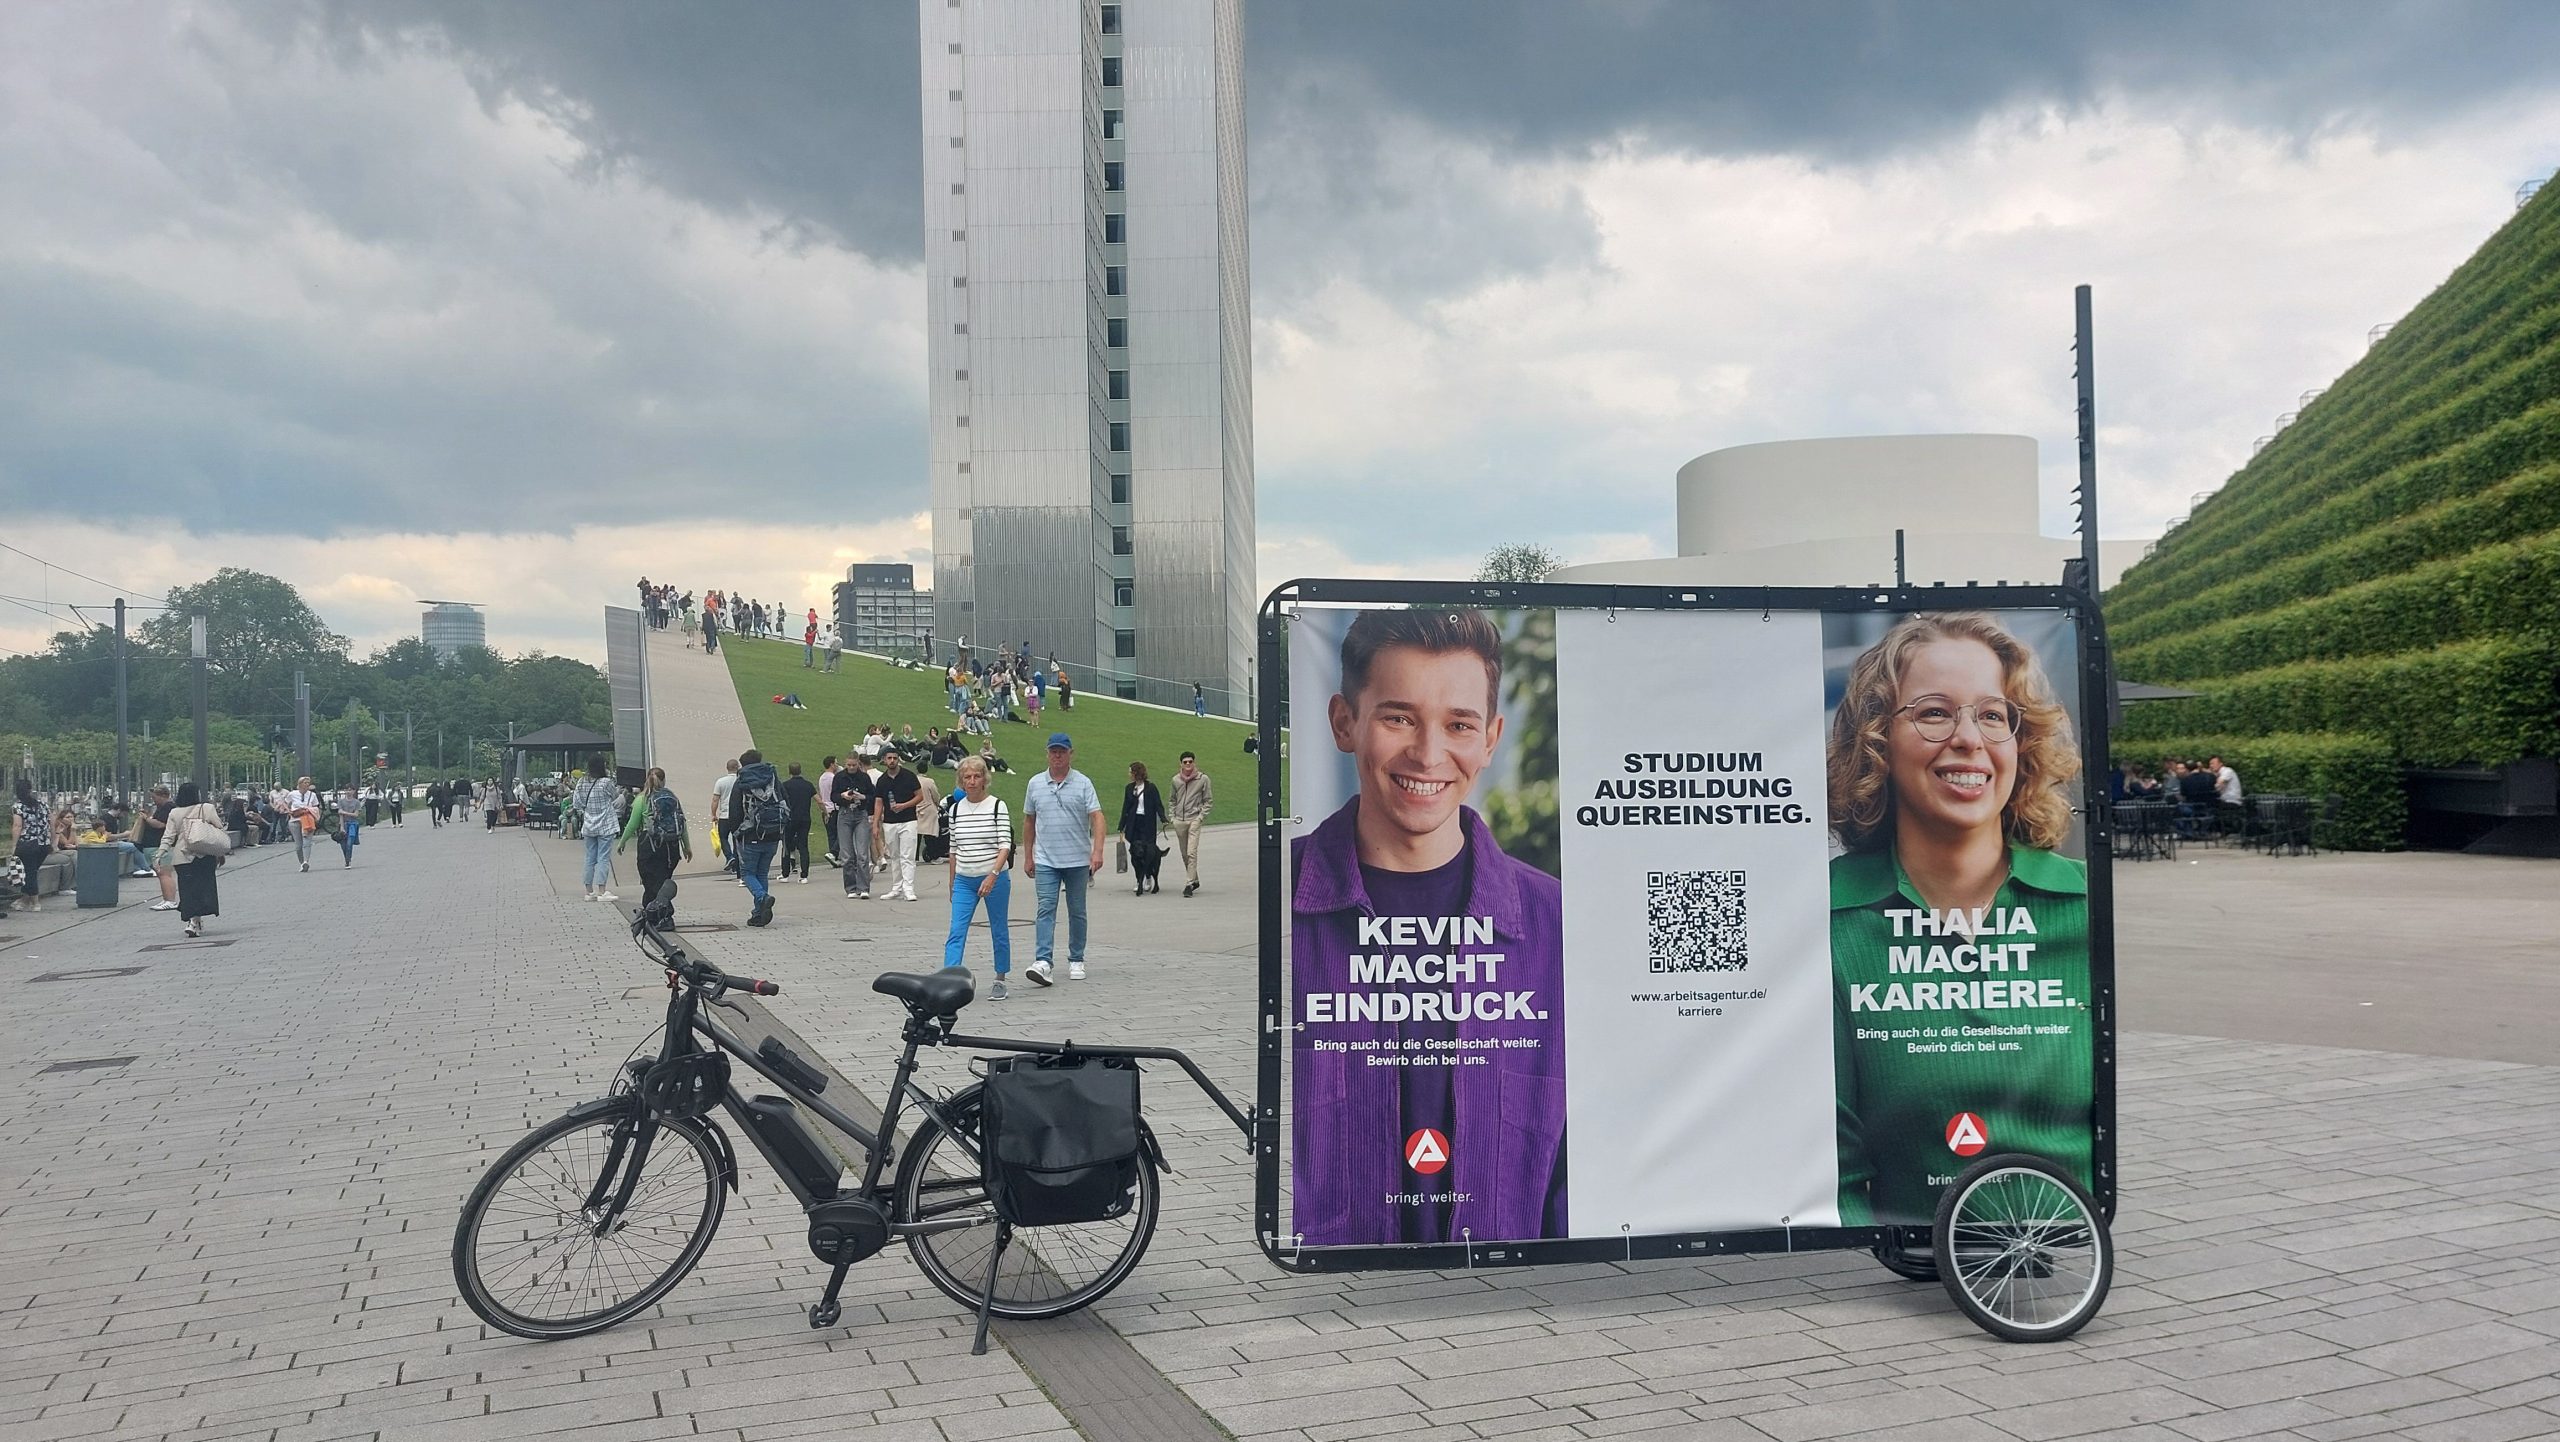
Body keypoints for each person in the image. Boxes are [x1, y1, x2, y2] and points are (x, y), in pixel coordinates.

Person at [1288, 608, 1566, 1247]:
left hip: (1503, 1312)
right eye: (1398, 717)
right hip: (1333, 1310)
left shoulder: (1555, 923)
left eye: (1459, 725)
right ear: (1343, 721)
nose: (1428, 754)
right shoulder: (1277, 904)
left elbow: (1569, 1175)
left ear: (1491, 739)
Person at [1825, 611, 2091, 1229]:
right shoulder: (1823, 920)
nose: (1969, 738)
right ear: (1875, 739)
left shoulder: (2087, 909)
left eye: (1993, 715)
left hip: (2072, 1259)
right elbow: (1829, 1160)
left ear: (2020, 744)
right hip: (1887, 1276)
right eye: (1935, 712)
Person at [1020, 733, 1105, 985]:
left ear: (1070, 753)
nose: (1057, 756)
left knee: (1077, 910)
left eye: (1062, 751)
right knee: (1046, 908)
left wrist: (1097, 851)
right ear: (1047, 753)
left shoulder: (1082, 783)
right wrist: (1028, 855)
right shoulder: (1035, 783)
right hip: (1046, 859)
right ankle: (1043, 960)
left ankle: (1076, 958)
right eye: (1053, 751)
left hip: (1077, 859)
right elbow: (1029, 820)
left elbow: (1097, 817)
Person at [618, 766, 692, 917]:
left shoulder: (642, 799)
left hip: (649, 845)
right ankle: (657, 912)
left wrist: (622, 841)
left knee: (651, 882)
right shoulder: (672, 798)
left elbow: (633, 823)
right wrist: (686, 847)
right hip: (671, 846)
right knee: (663, 880)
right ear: (664, 780)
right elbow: (682, 823)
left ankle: (659, 913)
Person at [160, 782, 226, 939]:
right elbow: (219, 827)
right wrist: (221, 851)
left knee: (188, 889)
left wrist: (161, 852)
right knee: (204, 887)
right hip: (204, 854)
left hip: (182, 856)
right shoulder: (207, 808)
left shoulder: (174, 812)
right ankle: (195, 920)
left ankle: (193, 920)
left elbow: (169, 835)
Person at [727, 749, 784, 927]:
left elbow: (735, 811)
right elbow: (784, 800)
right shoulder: (773, 779)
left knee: (748, 873)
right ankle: (758, 914)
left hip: (750, 835)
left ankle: (762, 898)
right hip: (773, 833)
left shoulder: (741, 782)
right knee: (762, 873)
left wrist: (735, 832)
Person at [872, 750, 923, 902]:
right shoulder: (882, 780)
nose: (892, 761)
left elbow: (920, 796)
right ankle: (896, 887)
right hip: (889, 821)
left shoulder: (909, 776)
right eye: (889, 758)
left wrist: (904, 806)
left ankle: (909, 888)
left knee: (907, 855)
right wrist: (875, 824)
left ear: (898, 759)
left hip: (908, 820)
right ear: (884, 760)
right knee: (894, 856)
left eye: (895, 758)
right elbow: (879, 802)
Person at [572, 756, 622, 902]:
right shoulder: (606, 782)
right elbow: (615, 796)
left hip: (588, 825)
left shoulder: (581, 782)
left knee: (589, 858)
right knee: (603, 858)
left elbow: (576, 803)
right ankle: (602, 891)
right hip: (606, 825)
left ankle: (589, 891)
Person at [1169, 750, 1212, 897]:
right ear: (1180, 764)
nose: (1188, 764)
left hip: (1194, 819)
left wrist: (1200, 817)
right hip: (1179, 820)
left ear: (1194, 763)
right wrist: (1172, 817)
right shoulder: (1175, 780)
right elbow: (1172, 800)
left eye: (1190, 762)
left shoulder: (1203, 779)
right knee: (1184, 854)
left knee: (1191, 852)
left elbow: (1208, 800)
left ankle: (1188, 883)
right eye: (1185, 762)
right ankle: (1195, 879)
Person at [1119, 761, 1164, 897]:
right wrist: (1122, 825)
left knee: (1148, 851)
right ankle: (1139, 879)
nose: (1129, 774)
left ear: (1136, 773)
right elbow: (1125, 807)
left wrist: (1163, 818)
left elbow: (1158, 804)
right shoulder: (1129, 788)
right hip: (1134, 822)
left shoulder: (1151, 788)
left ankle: (1149, 876)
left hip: (1147, 822)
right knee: (1136, 853)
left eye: (1130, 772)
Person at [10, 778, 49, 915]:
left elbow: (17, 826)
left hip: (27, 843)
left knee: (29, 873)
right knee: (31, 871)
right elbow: (51, 820)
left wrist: (14, 845)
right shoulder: (42, 805)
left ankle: (35, 902)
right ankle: (24, 900)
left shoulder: (18, 806)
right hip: (44, 843)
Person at [779, 761, 818, 883]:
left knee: (786, 846)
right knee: (803, 846)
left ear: (789, 772)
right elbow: (818, 800)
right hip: (805, 818)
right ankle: (804, 875)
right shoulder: (808, 785)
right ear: (800, 770)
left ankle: (785, 874)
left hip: (790, 819)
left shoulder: (785, 785)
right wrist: (825, 811)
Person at [285, 776, 321, 873]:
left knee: (307, 842)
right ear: (300, 784)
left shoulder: (312, 795)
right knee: (298, 845)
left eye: (308, 783)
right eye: (305, 782)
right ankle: (301, 862)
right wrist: (289, 811)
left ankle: (306, 862)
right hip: (295, 820)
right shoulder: (292, 794)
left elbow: (315, 806)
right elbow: (286, 803)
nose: (307, 784)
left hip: (308, 820)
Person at [711, 759, 740, 872]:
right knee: (736, 838)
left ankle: (729, 857)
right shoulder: (740, 780)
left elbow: (715, 800)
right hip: (737, 815)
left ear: (727, 768)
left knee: (722, 837)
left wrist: (713, 814)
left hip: (724, 815)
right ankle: (736, 860)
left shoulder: (721, 782)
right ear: (737, 767)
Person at [331, 784, 364, 866]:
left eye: (350, 790)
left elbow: (356, 815)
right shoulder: (341, 801)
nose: (348, 792)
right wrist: (342, 827)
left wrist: (344, 812)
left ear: (353, 791)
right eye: (347, 790)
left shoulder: (356, 802)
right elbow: (340, 814)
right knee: (343, 845)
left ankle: (348, 860)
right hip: (343, 824)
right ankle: (347, 858)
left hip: (353, 824)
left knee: (350, 843)